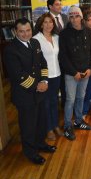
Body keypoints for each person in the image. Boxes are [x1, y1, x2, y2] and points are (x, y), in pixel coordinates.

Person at [4, 18, 56, 165]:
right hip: (24, 95)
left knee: (41, 122)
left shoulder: (35, 43)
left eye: (28, 30)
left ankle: (40, 143)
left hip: (40, 91)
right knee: (28, 126)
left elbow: (43, 63)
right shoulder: (10, 50)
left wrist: (45, 81)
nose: (26, 34)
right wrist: (37, 85)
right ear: (15, 31)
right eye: (21, 31)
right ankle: (30, 152)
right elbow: (18, 75)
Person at [59, 6, 91, 141]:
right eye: (71, 16)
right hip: (71, 74)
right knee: (70, 100)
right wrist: (73, 72)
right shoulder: (63, 34)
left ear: (81, 17)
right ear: (69, 18)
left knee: (81, 97)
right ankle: (68, 125)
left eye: (77, 16)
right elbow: (62, 56)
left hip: (85, 72)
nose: (74, 19)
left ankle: (79, 121)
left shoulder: (89, 32)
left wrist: (90, 68)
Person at [33, 13, 62, 141]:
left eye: (50, 22)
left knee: (54, 102)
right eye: (45, 22)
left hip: (57, 74)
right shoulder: (36, 39)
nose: (48, 25)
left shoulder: (56, 37)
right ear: (40, 24)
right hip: (45, 77)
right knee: (45, 103)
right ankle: (48, 128)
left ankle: (55, 125)